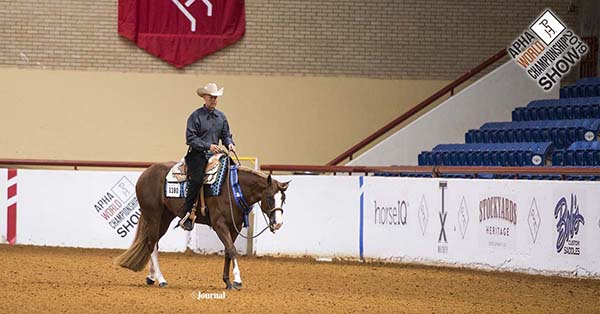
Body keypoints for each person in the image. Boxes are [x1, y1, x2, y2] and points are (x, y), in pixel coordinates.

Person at [179, 82, 235, 231]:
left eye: (216, 97)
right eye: (211, 97)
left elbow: (226, 135)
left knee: (234, 171)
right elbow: (190, 138)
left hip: (215, 155)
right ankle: (187, 214)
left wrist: (229, 143)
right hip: (197, 154)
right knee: (196, 179)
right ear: (204, 97)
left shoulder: (221, 117)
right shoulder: (195, 116)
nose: (214, 100)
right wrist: (208, 146)